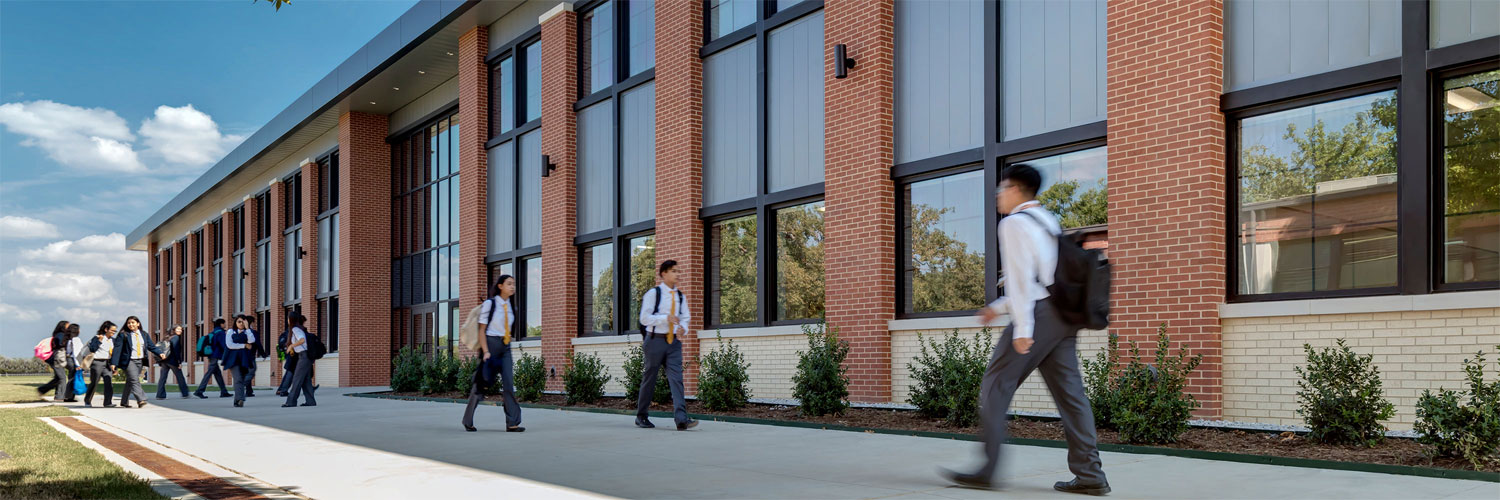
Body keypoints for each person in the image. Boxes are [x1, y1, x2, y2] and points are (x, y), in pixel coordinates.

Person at [941, 164, 1109, 495]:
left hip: (1038, 314)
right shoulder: (1047, 220)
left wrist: (1022, 329)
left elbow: (1021, 280)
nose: (998, 197)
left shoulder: (1014, 223)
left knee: (995, 384)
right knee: (1072, 396)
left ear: (1016, 189)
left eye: (1000, 190)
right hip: (1062, 315)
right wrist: (998, 307)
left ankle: (987, 469)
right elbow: (1042, 274)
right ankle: (1091, 475)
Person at [634, 260, 698, 431]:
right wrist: (665, 318)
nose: (677, 274)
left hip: (673, 343)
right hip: (655, 340)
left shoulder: (680, 296)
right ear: (663, 273)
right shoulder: (653, 294)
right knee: (650, 378)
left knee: (677, 379)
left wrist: (683, 328)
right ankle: (641, 416)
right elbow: (644, 318)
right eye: (673, 271)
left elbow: (685, 317)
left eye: (678, 271)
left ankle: (681, 419)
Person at [461, 275, 524, 432]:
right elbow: (482, 330)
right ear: (500, 286)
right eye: (509, 284)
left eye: (513, 284)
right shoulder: (490, 304)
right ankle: (467, 419)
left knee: (509, 383)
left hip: (505, 346)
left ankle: (512, 423)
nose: (512, 287)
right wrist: (486, 351)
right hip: (491, 344)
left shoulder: (511, 306)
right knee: (482, 384)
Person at [113, 316, 166, 409]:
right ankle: (141, 399)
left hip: (140, 361)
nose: (130, 325)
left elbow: (151, 346)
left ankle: (124, 401)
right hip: (129, 361)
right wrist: (114, 363)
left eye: (133, 322)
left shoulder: (144, 334)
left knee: (130, 381)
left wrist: (160, 353)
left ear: (138, 324)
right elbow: (117, 349)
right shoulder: (123, 335)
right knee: (134, 380)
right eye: (129, 323)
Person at [281, 312, 319, 408]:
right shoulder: (298, 329)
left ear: (291, 319)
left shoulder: (295, 329)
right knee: (306, 380)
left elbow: (302, 340)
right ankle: (310, 401)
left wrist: (291, 346)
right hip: (304, 356)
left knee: (297, 379)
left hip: (304, 356)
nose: (287, 320)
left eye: (288, 318)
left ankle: (291, 401)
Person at [222, 316, 257, 407]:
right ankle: (241, 399)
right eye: (239, 322)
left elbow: (252, 340)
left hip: (244, 359)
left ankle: (237, 400)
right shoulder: (230, 331)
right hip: (233, 359)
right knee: (237, 378)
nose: (241, 323)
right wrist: (244, 345)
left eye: (243, 322)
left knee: (241, 379)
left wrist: (247, 328)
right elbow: (230, 345)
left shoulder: (248, 332)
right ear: (235, 323)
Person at [194, 319, 232, 399]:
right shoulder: (220, 333)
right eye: (224, 323)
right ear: (221, 324)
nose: (225, 325)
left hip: (211, 354)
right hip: (215, 355)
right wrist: (228, 353)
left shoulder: (213, 332)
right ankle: (199, 391)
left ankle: (224, 391)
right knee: (209, 373)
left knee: (217, 374)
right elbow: (223, 344)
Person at [84, 321, 118, 407]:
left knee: (109, 382)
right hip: (97, 362)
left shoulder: (113, 340)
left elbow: (114, 354)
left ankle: (107, 402)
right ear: (106, 329)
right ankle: (87, 400)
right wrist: (99, 341)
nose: (114, 333)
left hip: (107, 363)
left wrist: (115, 366)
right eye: (112, 331)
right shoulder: (97, 337)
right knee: (94, 382)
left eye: (115, 331)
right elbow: (92, 348)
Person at [37, 320, 70, 399]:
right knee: (62, 378)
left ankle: (43, 390)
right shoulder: (60, 335)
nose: (69, 327)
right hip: (57, 358)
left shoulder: (59, 334)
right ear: (63, 327)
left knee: (58, 378)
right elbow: (60, 343)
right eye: (67, 326)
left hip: (56, 358)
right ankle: (59, 396)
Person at [155, 325, 190, 399]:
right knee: (180, 377)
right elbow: (176, 351)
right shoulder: (176, 338)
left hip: (164, 361)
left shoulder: (167, 337)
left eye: (181, 329)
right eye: (178, 329)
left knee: (162, 378)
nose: (180, 330)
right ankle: (185, 393)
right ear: (174, 330)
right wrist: (179, 362)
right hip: (173, 361)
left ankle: (160, 395)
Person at [242, 315, 262, 398]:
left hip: (243, 355)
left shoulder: (241, 332)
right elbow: (258, 344)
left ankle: (249, 391)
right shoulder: (253, 332)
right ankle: (241, 386)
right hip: (250, 355)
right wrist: (263, 353)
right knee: (251, 371)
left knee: (247, 372)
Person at [275, 324, 298, 397]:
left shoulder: (283, 334)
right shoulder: (291, 334)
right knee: (291, 372)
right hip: (293, 355)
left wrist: (280, 357)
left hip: (288, 355)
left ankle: (281, 389)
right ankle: (283, 390)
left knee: (290, 372)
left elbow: (279, 347)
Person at [63, 324, 83, 402]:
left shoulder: (67, 339)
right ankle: (68, 396)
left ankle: (69, 396)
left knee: (71, 378)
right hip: (73, 360)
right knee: (72, 378)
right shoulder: (76, 339)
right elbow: (76, 352)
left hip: (68, 359)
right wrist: (78, 364)